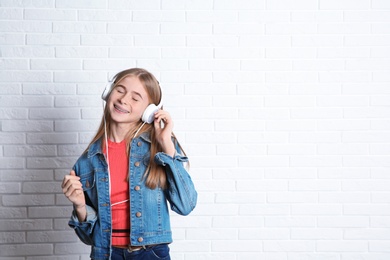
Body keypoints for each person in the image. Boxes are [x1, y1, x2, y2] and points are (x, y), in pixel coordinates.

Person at [61, 68, 197, 260]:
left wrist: (166, 143)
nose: (124, 99)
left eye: (135, 98)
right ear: (108, 93)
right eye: (120, 90)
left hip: (150, 253)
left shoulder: (158, 149)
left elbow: (186, 205)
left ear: (149, 111)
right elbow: (87, 237)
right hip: (105, 254)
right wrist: (80, 207)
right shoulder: (88, 161)